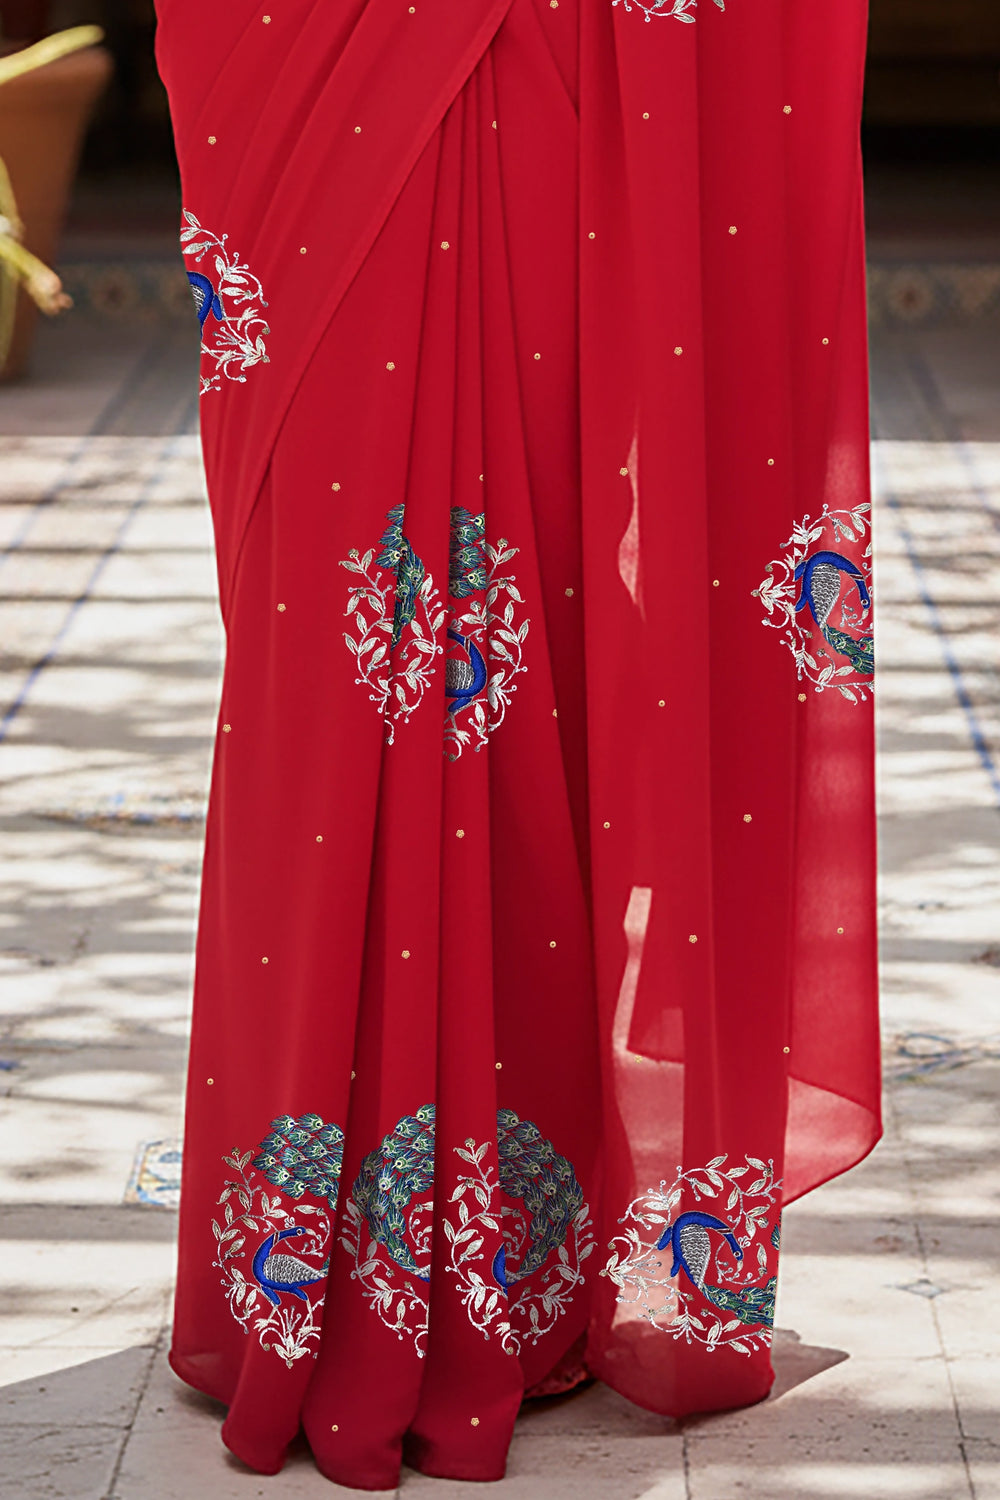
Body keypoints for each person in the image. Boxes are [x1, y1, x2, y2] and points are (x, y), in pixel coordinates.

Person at [153, 0, 879, 1487]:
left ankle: (506, 1251)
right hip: (301, 63)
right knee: (326, 649)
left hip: (544, 57)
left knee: (521, 623)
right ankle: (313, 1253)